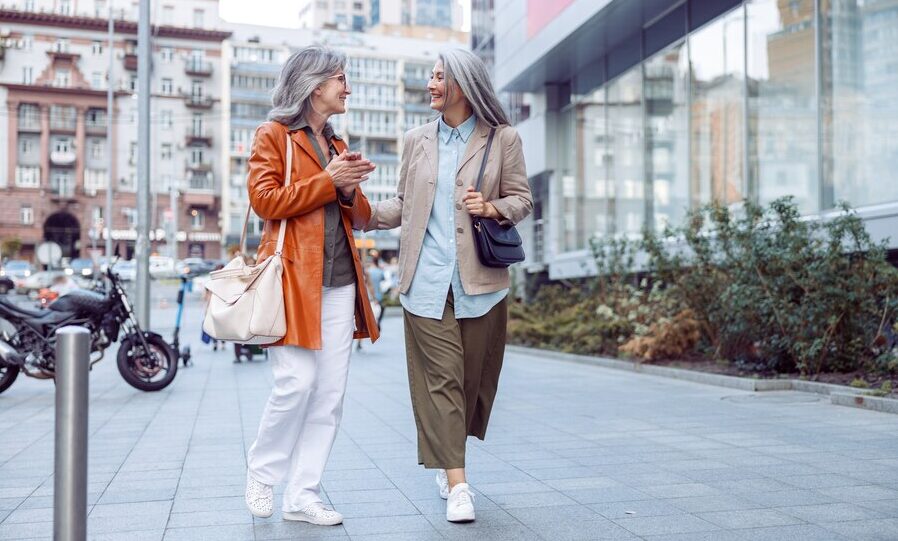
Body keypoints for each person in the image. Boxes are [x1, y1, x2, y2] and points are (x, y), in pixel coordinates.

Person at [364, 48, 532, 523]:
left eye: (439, 77)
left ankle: (447, 458)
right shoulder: (416, 139)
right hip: (425, 282)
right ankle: (459, 485)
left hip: (481, 283)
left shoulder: (503, 139)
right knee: (443, 382)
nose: (431, 84)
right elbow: (400, 203)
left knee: (471, 384)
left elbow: (522, 198)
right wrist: (362, 211)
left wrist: (493, 207)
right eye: (431, 77)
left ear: (462, 84)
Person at [243, 45, 379, 526]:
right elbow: (265, 201)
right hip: (291, 281)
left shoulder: (339, 146)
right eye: (341, 78)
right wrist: (328, 180)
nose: (348, 87)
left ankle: (302, 494)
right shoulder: (273, 135)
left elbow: (359, 216)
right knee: (295, 384)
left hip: (340, 283)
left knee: (329, 394)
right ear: (313, 84)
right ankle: (263, 472)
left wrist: (346, 187)